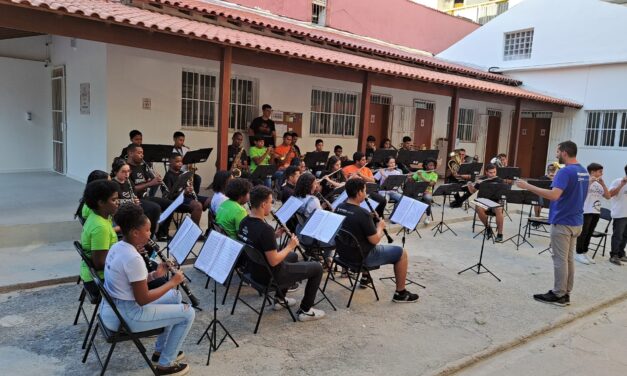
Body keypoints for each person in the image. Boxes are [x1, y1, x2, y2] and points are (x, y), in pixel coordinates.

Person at [100, 204, 195, 375]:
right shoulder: (133, 258)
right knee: (188, 313)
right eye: (148, 230)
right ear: (135, 232)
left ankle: (160, 351)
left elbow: (130, 283)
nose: (150, 234)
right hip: (126, 316)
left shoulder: (118, 246)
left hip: (114, 309)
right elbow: (143, 299)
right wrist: (172, 281)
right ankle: (165, 365)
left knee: (174, 296)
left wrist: (156, 275)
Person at [515, 141, 588, 306]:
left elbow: (554, 195)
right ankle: (566, 292)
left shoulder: (565, 171)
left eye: (557, 152)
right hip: (576, 220)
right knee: (568, 259)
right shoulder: (583, 171)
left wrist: (528, 186)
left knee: (560, 259)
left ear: (564, 152)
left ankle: (559, 294)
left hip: (563, 221)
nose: (556, 155)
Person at [238, 185, 325, 321]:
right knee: (317, 267)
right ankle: (306, 310)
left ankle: (279, 299)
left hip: (254, 270)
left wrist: (275, 235)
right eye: (271, 202)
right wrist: (290, 246)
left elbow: (258, 241)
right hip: (270, 276)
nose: (272, 206)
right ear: (263, 204)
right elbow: (274, 260)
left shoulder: (244, 222)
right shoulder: (265, 229)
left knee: (294, 256)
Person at [335, 178, 419, 303]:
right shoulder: (363, 214)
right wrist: (380, 227)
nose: (366, 194)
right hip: (361, 257)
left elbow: (354, 226)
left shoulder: (339, 207)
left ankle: (365, 278)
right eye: (364, 191)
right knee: (402, 253)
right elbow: (374, 240)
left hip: (343, 254)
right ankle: (400, 293)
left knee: (362, 241)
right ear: (358, 193)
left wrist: (370, 220)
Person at [80, 180, 119, 296]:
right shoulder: (100, 227)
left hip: (97, 275)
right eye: (113, 200)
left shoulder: (98, 216)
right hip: (98, 280)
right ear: (101, 203)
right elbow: (100, 263)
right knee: (152, 281)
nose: (117, 203)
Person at [126, 144, 173, 240]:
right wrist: (150, 183)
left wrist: (155, 178)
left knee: (170, 204)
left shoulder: (142, 166)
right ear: (130, 153)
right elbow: (131, 188)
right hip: (134, 199)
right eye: (139, 153)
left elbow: (151, 181)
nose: (142, 155)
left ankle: (162, 233)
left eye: (142, 153)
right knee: (155, 208)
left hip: (144, 197)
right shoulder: (126, 169)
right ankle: (148, 238)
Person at [110, 158, 162, 238]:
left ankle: (148, 236)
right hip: (120, 214)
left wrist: (135, 201)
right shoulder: (113, 184)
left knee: (152, 212)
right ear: (116, 172)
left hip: (130, 210)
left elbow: (133, 195)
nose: (127, 174)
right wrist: (130, 201)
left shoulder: (129, 182)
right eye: (123, 172)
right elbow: (114, 202)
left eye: (128, 171)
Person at [575, 163, 610, 265]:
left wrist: (603, 184)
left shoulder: (599, 184)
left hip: (596, 211)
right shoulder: (584, 181)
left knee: (590, 232)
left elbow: (608, 196)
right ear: (593, 172)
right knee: (583, 232)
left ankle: (585, 252)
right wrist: (589, 182)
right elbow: (580, 194)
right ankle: (579, 253)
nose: (602, 173)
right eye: (600, 171)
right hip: (586, 211)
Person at [162, 153, 208, 227]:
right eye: (177, 161)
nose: (180, 164)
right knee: (198, 206)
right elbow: (169, 197)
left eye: (181, 161)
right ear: (170, 162)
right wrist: (184, 192)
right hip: (178, 199)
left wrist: (190, 188)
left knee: (212, 200)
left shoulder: (183, 173)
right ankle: (194, 232)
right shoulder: (168, 176)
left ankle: (211, 230)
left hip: (187, 196)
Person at [467, 163, 506, 242]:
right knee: (478, 208)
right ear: (486, 172)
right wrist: (470, 185)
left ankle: (500, 234)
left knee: (499, 209)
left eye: (494, 172)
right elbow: (473, 191)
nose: (492, 174)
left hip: (495, 201)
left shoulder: (500, 180)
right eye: (490, 172)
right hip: (483, 201)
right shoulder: (482, 179)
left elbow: (504, 193)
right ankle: (488, 228)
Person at [342, 152, 387, 217]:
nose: (365, 161)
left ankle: (379, 217)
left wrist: (361, 175)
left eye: (365, 159)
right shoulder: (346, 169)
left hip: (368, 190)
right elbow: (344, 182)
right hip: (356, 192)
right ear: (357, 161)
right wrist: (352, 178)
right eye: (363, 160)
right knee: (371, 204)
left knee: (383, 201)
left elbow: (373, 181)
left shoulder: (367, 169)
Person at [608, 165, 627, 266]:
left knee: (625, 236)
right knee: (618, 235)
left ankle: (620, 253)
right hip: (619, 213)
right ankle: (613, 255)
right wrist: (621, 185)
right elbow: (609, 194)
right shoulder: (617, 181)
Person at [411, 158, 439, 225]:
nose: (432, 167)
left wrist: (421, 177)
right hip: (417, 191)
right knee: (416, 199)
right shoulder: (420, 171)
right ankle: (415, 217)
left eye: (433, 165)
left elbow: (431, 184)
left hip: (427, 191)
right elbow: (412, 181)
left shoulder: (434, 174)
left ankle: (428, 216)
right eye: (430, 165)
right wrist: (410, 177)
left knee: (428, 199)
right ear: (425, 166)